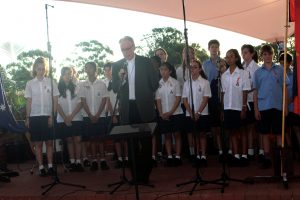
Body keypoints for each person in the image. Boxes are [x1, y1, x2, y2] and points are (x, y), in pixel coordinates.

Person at [112, 36, 159, 183]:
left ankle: (145, 176)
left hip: (143, 108)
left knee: (145, 143)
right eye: (123, 49)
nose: (126, 52)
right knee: (131, 145)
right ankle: (135, 176)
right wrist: (121, 79)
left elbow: (155, 83)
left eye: (128, 48)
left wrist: (146, 94)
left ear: (133, 46)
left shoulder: (145, 62)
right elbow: (114, 88)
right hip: (128, 109)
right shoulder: (117, 65)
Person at [253, 44, 289, 169]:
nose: (267, 56)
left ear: (273, 55)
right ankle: (267, 158)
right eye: (265, 54)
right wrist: (256, 109)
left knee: (279, 133)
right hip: (263, 107)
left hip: (278, 106)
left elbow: (285, 88)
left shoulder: (280, 69)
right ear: (262, 56)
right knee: (265, 133)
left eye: (269, 54)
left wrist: (285, 107)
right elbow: (255, 91)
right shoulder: (257, 73)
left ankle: (280, 157)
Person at [24, 57, 59, 176]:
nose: (41, 71)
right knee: (38, 144)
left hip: (47, 116)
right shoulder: (30, 84)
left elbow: (55, 100)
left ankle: (50, 166)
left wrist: (52, 116)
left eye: (43, 69)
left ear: (46, 69)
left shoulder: (51, 82)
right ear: (35, 69)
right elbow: (29, 101)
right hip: (35, 116)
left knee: (49, 143)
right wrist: (27, 117)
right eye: (39, 69)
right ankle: (41, 167)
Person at [221, 49, 251, 167]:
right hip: (228, 106)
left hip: (239, 106)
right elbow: (223, 93)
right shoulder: (224, 75)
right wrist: (222, 109)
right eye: (227, 57)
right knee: (232, 131)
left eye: (231, 56)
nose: (229, 59)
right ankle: (236, 155)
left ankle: (244, 155)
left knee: (242, 131)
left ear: (237, 58)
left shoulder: (243, 73)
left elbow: (245, 90)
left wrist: (244, 107)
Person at [79, 61, 109, 171]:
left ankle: (103, 160)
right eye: (86, 68)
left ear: (95, 69)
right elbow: (83, 101)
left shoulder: (101, 83)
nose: (87, 70)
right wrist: (90, 115)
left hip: (100, 116)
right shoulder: (83, 84)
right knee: (91, 139)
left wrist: (97, 114)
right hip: (88, 116)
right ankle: (94, 161)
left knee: (101, 139)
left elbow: (104, 99)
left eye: (89, 68)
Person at [182, 59, 212, 167]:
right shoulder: (186, 83)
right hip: (190, 114)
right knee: (194, 135)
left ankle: (203, 155)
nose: (192, 69)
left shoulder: (205, 82)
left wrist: (198, 112)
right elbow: (184, 99)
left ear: (199, 69)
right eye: (191, 67)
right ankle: (197, 156)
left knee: (202, 134)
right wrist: (191, 112)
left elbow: (206, 98)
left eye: (195, 67)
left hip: (202, 113)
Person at [156, 62, 183, 167]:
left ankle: (177, 156)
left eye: (165, 69)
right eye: (161, 69)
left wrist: (171, 112)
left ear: (170, 71)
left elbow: (178, 98)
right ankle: (170, 156)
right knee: (167, 136)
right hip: (163, 114)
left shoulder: (175, 82)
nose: (163, 71)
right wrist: (161, 113)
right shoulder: (158, 84)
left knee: (177, 134)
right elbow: (158, 100)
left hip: (176, 113)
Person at [56, 67, 84, 172]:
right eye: (66, 74)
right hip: (63, 119)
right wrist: (65, 118)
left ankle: (78, 162)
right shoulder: (57, 88)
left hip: (76, 117)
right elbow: (57, 105)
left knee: (78, 139)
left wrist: (71, 116)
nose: (68, 76)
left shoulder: (77, 87)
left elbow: (80, 103)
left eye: (70, 73)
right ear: (62, 75)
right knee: (69, 140)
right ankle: (72, 162)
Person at [103, 62, 128, 168]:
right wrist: (113, 114)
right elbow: (107, 100)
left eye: (110, 70)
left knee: (126, 137)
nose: (108, 72)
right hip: (112, 113)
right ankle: (119, 159)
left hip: (123, 113)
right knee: (116, 138)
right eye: (106, 70)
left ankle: (127, 158)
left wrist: (120, 109)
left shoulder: (122, 81)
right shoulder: (104, 83)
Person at [202, 39, 224, 160]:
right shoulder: (204, 64)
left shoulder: (222, 62)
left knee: (219, 123)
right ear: (209, 48)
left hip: (218, 93)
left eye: (216, 47)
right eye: (212, 47)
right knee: (210, 125)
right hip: (207, 94)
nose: (214, 49)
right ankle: (213, 148)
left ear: (218, 49)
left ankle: (222, 149)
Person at [176, 46, 196, 160]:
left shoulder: (198, 67)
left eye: (190, 53)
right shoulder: (179, 70)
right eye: (185, 53)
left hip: (197, 102)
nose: (188, 55)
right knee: (188, 130)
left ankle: (200, 152)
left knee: (197, 129)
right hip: (185, 103)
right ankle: (191, 152)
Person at [241, 44, 259, 160]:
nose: (244, 54)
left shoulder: (256, 68)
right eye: (242, 52)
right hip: (243, 100)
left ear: (252, 54)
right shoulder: (241, 66)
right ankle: (247, 150)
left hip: (252, 99)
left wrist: (245, 89)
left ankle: (253, 150)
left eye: (246, 52)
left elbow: (255, 85)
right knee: (245, 127)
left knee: (252, 127)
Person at [279, 53, 300, 152]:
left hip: (293, 107)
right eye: (281, 63)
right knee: (285, 129)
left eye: (285, 63)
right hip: (282, 107)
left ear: (290, 63)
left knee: (296, 128)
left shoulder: (294, 76)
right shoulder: (278, 75)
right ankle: (290, 149)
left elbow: (296, 91)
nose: (283, 65)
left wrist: (290, 100)